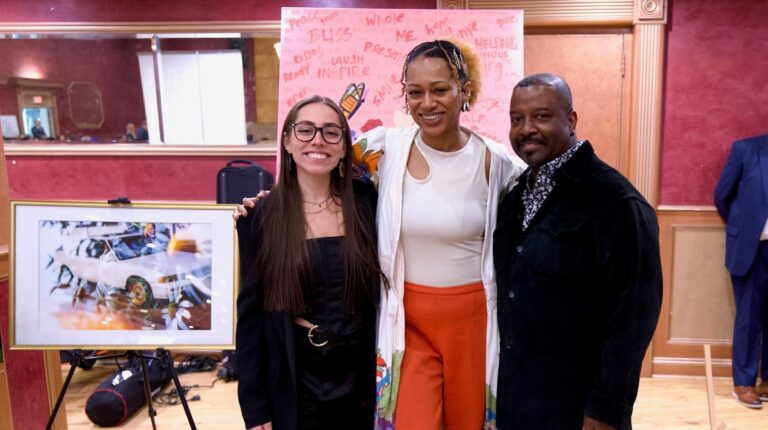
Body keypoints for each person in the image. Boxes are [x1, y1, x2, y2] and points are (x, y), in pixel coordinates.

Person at [236, 40, 525, 429]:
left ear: (464, 90)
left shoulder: (499, 164)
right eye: (415, 92)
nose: (428, 102)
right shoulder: (383, 150)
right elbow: (316, 159)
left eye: (440, 89)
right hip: (406, 321)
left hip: (472, 319)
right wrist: (269, 203)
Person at [493, 73, 662, 429]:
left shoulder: (616, 202)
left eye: (541, 116)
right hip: (518, 402)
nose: (526, 129)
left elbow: (634, 317)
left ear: (570, 121)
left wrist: (606, 409)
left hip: (579, 408)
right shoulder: (514, 197)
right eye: (516, 119)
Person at [235, 95, 384, 430]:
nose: (318, 140)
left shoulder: (368, 203)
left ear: (345, 146)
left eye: (331, 132)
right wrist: (255, 407)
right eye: (305, 130)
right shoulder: (259, 217)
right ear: (287, 141)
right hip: (295, 379)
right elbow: (250, 320)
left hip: (361, 376)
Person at [714, 133, 768, 409]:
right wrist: (742, 227)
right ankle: (743, 383)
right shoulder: (746, 150)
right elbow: (722, 195)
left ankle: (766, 381)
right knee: (749, 318)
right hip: (752, 249)